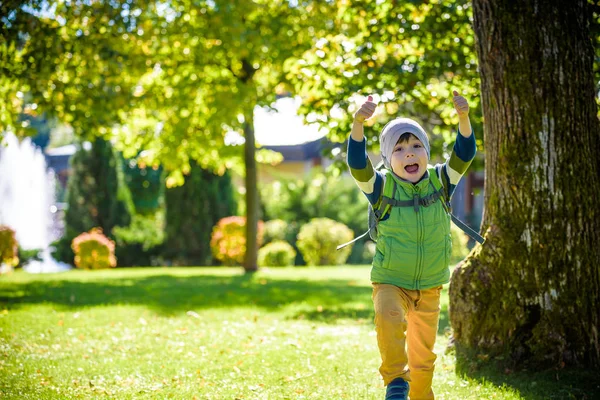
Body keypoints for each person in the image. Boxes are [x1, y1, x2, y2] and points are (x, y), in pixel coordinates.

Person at [346, 91, 476, 400]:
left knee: (424, 359)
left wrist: (464, 118)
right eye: (400, 149)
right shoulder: (380, 186)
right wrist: (358, 123)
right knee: (388, 317)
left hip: (430, 286)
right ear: (388, 159)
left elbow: (465, 151)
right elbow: (355, 162)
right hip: (391, 279)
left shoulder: (441, 181)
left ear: (427, 152)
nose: (409, 154)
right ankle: (395, 382)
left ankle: (418, 394)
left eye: (417, 146)